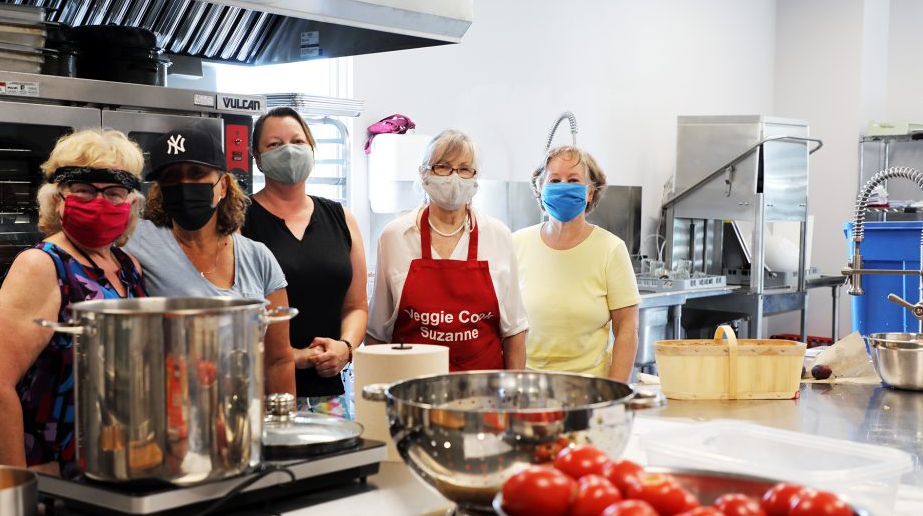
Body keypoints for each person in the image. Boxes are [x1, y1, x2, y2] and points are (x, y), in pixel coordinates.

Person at [0, 128, 148, 479]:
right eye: (84, 190)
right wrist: (19, 486)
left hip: (101, 467)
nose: (99, 202)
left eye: (113, 193)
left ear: (130, 203)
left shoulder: (128, 268)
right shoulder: (42, 266)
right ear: (58, 199)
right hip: (37, 470)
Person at [124, 125, 295, 396]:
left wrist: (280, 433)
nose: (184, 185)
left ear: (223, 185)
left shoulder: (257, 257)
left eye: (197, 173)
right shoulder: (135, 243)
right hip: (170, 424)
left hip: (239, 423)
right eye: (171, 178)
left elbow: (278, 360)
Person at [366, 129, 528, 370]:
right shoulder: (394, 237)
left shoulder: (498, 236)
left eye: (464, 169)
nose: (454, 177)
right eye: (442, 166)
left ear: (475, 178)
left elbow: (514, 331)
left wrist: (514, 399)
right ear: (423, 174)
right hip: (413, 392)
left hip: (483, 393)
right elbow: (377, 334)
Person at [242, 108, 367, 400]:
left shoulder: (341, 218)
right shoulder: (238, 221)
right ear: (258, 159)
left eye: (298, 142)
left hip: (331, 391)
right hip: (263, 390)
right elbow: (232, 317)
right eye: (274, 145)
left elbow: (357, 306)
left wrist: (345, 348)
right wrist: (288, 356)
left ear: (312, 150)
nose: (288, 151)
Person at [513, 145, 640, 381]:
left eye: (573, 180)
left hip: (589, 388)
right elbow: (505, 325)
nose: (563, 186)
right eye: (554, 180)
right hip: (528, 388)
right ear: (540, 188)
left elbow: (627, 329)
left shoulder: (610, 249)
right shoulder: (516, 244)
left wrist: (614, 392)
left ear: (589, 192)